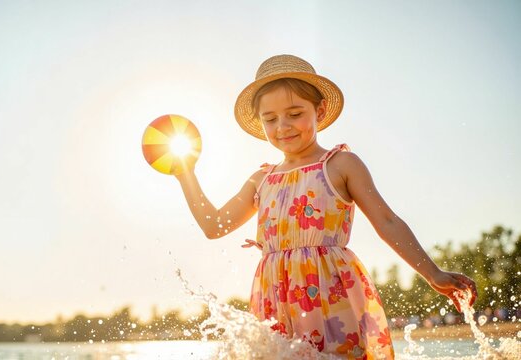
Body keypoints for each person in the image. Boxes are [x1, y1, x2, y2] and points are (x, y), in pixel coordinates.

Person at [174, 54, 477, 358]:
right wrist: (185, 172)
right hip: (275, 297)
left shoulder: (340, 165)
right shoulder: (261, 180)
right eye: (270, 119)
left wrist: (432, 273)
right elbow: (214, 226)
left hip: (332, 295)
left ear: (319, 110)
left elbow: (387, 222)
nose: (282, 126)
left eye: (295, 113)